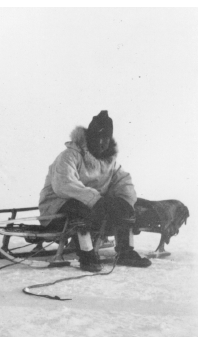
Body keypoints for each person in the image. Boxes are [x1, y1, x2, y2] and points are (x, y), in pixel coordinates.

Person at [38, 110, 151, 272]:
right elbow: (64, 184)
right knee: (81, 209)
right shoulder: (70, 156)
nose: (101, 142)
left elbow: (123, 182)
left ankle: (125, 251)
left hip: (94, 205)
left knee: (123, 206)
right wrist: (94, 200)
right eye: (97, 137)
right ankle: (87, 255)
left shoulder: (110, 162)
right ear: (88, 137)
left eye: (105, 138)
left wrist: (125, 201)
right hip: (56, 206)